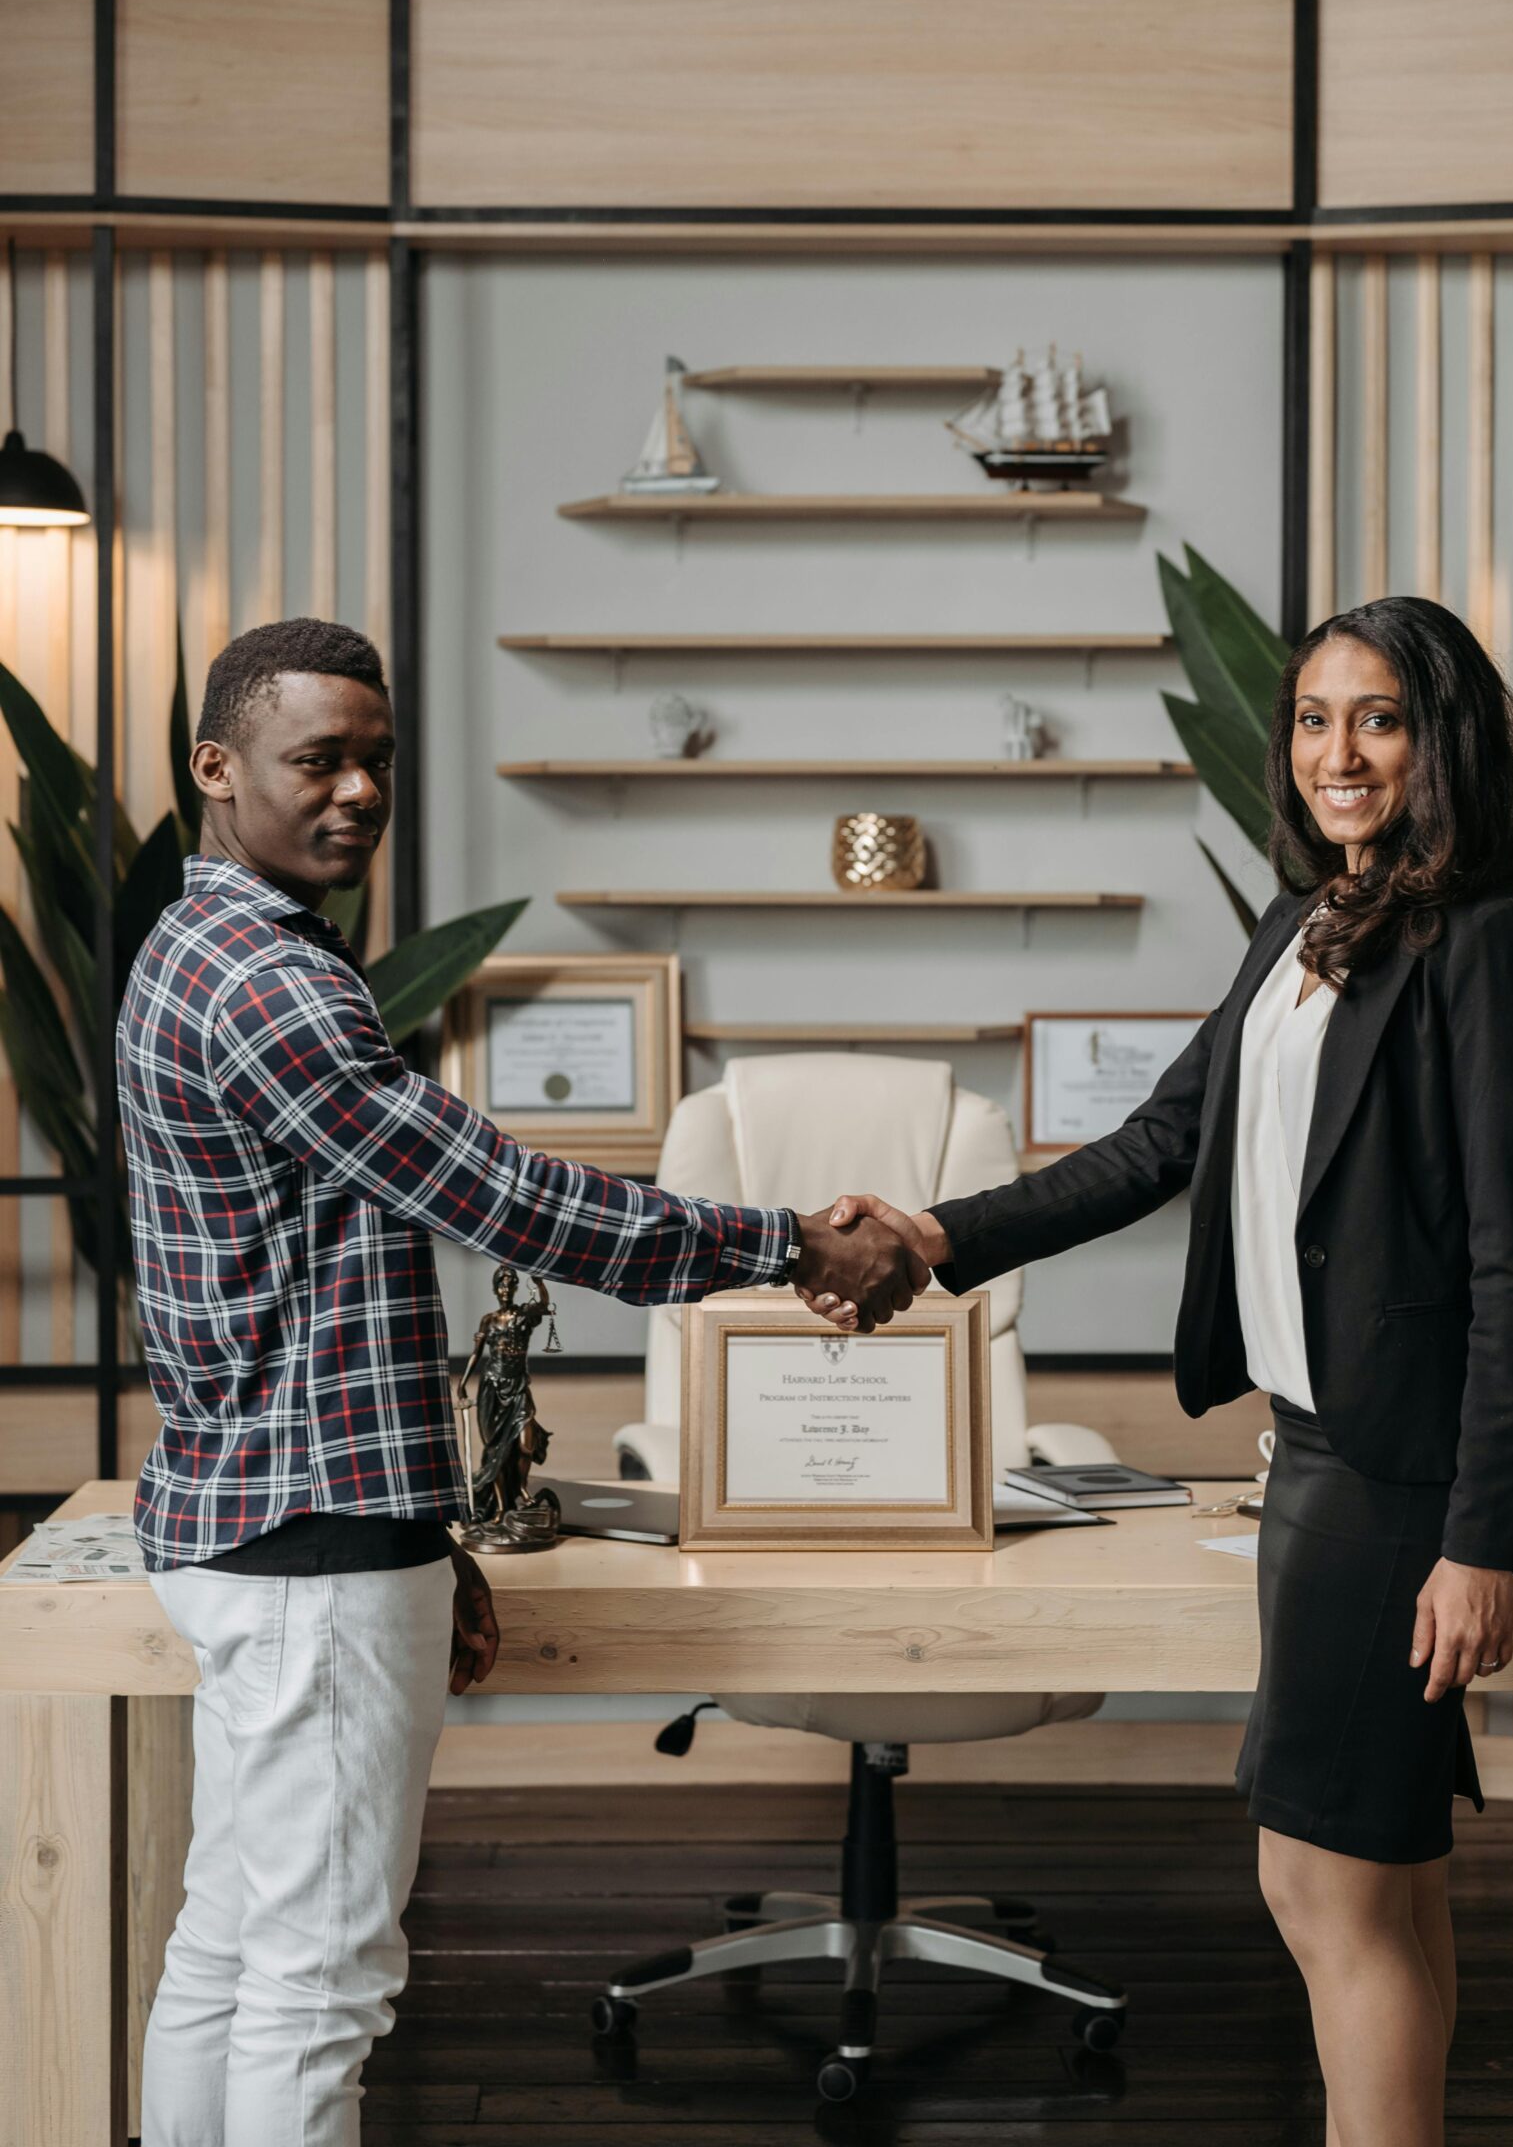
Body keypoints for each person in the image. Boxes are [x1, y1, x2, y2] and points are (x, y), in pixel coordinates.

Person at [122, 616, 922, 2147]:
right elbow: (500, 1197)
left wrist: (419, 1535)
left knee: (229, 1956)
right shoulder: (272, 984)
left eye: (376, 760)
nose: (356, 790)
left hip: (263, 1523)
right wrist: (781, 1240)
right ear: (216, 768)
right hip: (313, 1545)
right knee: (318, 1988)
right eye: (317, 759)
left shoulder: (198, 944)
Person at [834, 597, 1513, 2147]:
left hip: (1392, 1474)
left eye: (1374, 718)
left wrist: (1477, 1542)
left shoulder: (1487, 942)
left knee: (1314, 1878)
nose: (1337, 753)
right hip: (1312, 1447)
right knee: (1386, 1876)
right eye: (1310, 719)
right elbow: (1161, 1144)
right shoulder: (1302, 924)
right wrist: (932, 1232)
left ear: (1437, 740)